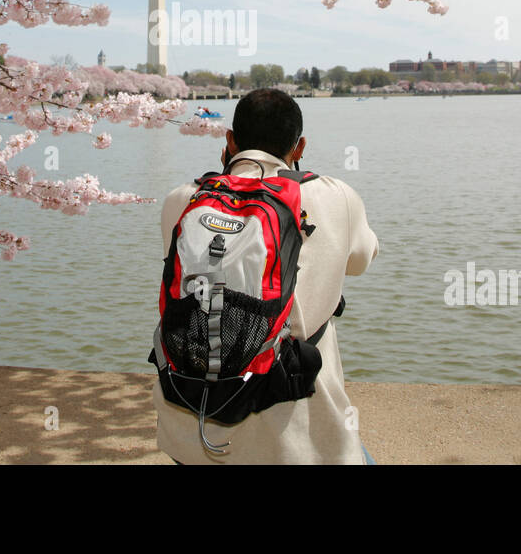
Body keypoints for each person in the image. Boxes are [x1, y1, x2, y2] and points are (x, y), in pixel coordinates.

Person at [153, 87, 379, 464]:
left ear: (229, 140)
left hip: (191, 431)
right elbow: (360, 261)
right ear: (300, 147)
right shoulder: (336, 196)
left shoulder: (183, 199)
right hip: (296, 437)